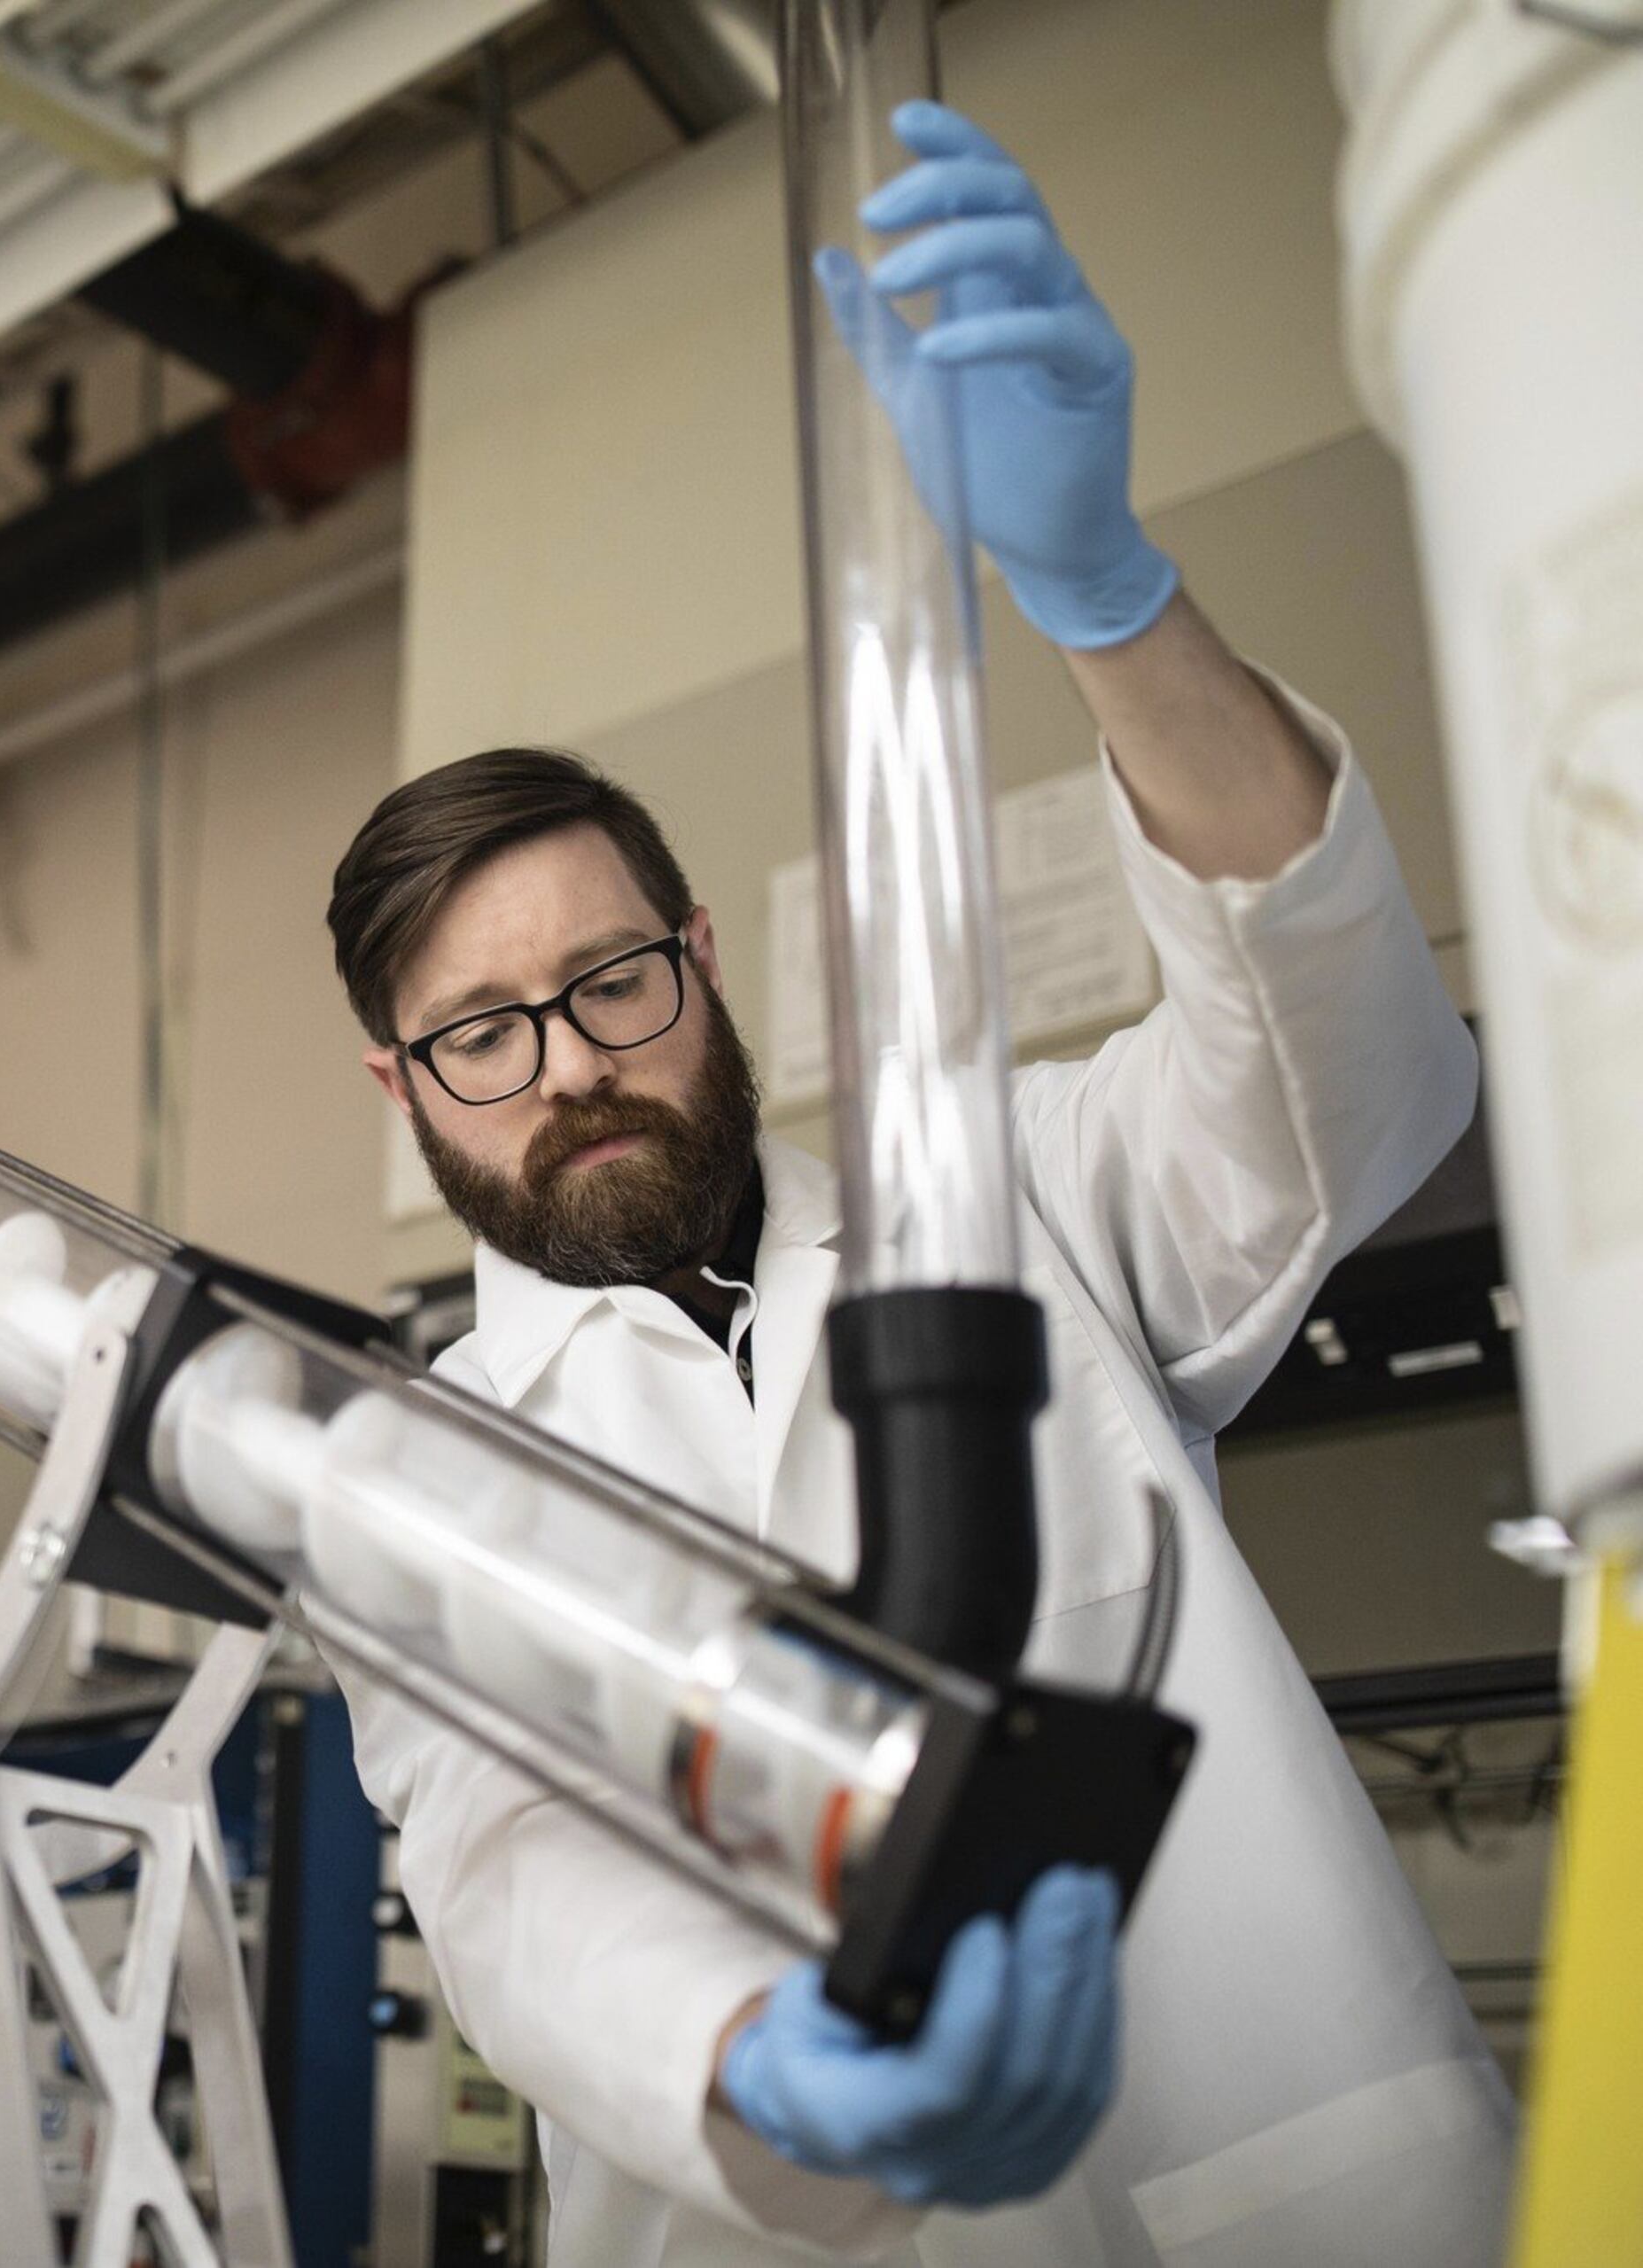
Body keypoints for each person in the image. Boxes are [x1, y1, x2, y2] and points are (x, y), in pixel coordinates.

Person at [329, 106, 1515, 2264]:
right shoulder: (420, 1476)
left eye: (609, 980)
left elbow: (1354, 1070)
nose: (572, 1065)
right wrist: (749, 2044)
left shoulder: (1017, 1189)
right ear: (401, 1084)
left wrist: (1106, 591)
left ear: (700, 959)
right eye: (484, 1031)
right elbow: (502, 1860)